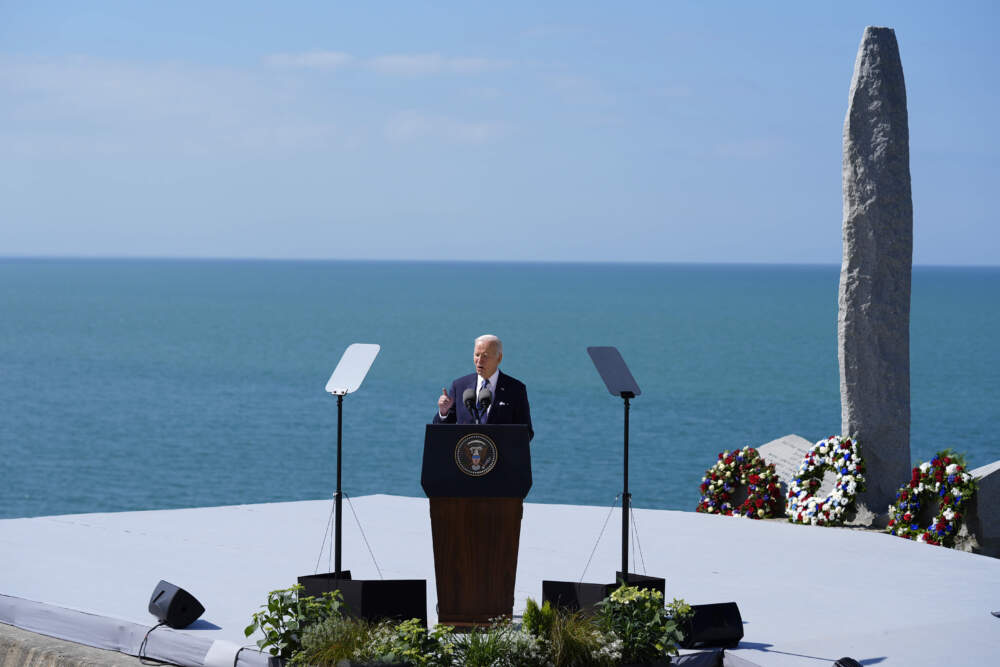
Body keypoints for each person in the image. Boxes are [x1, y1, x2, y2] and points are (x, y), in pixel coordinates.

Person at [433, 334, 533, 441]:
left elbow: (527, 433)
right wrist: (443, 412)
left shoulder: (516, 389)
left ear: (499, 358)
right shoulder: (459, 386)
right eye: (477, 355)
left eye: (485, 356)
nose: (479, 361)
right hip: (465, 455)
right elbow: (441, 429)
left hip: (501, 456)